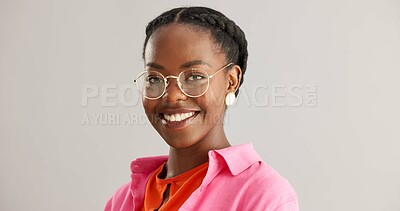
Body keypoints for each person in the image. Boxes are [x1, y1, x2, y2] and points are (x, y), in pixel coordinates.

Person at [105, 6, 298, 211]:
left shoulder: (263, 195)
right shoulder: (121, 201)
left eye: (194, 76)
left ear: (231, 81)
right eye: (155, 78)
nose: (172, 95)